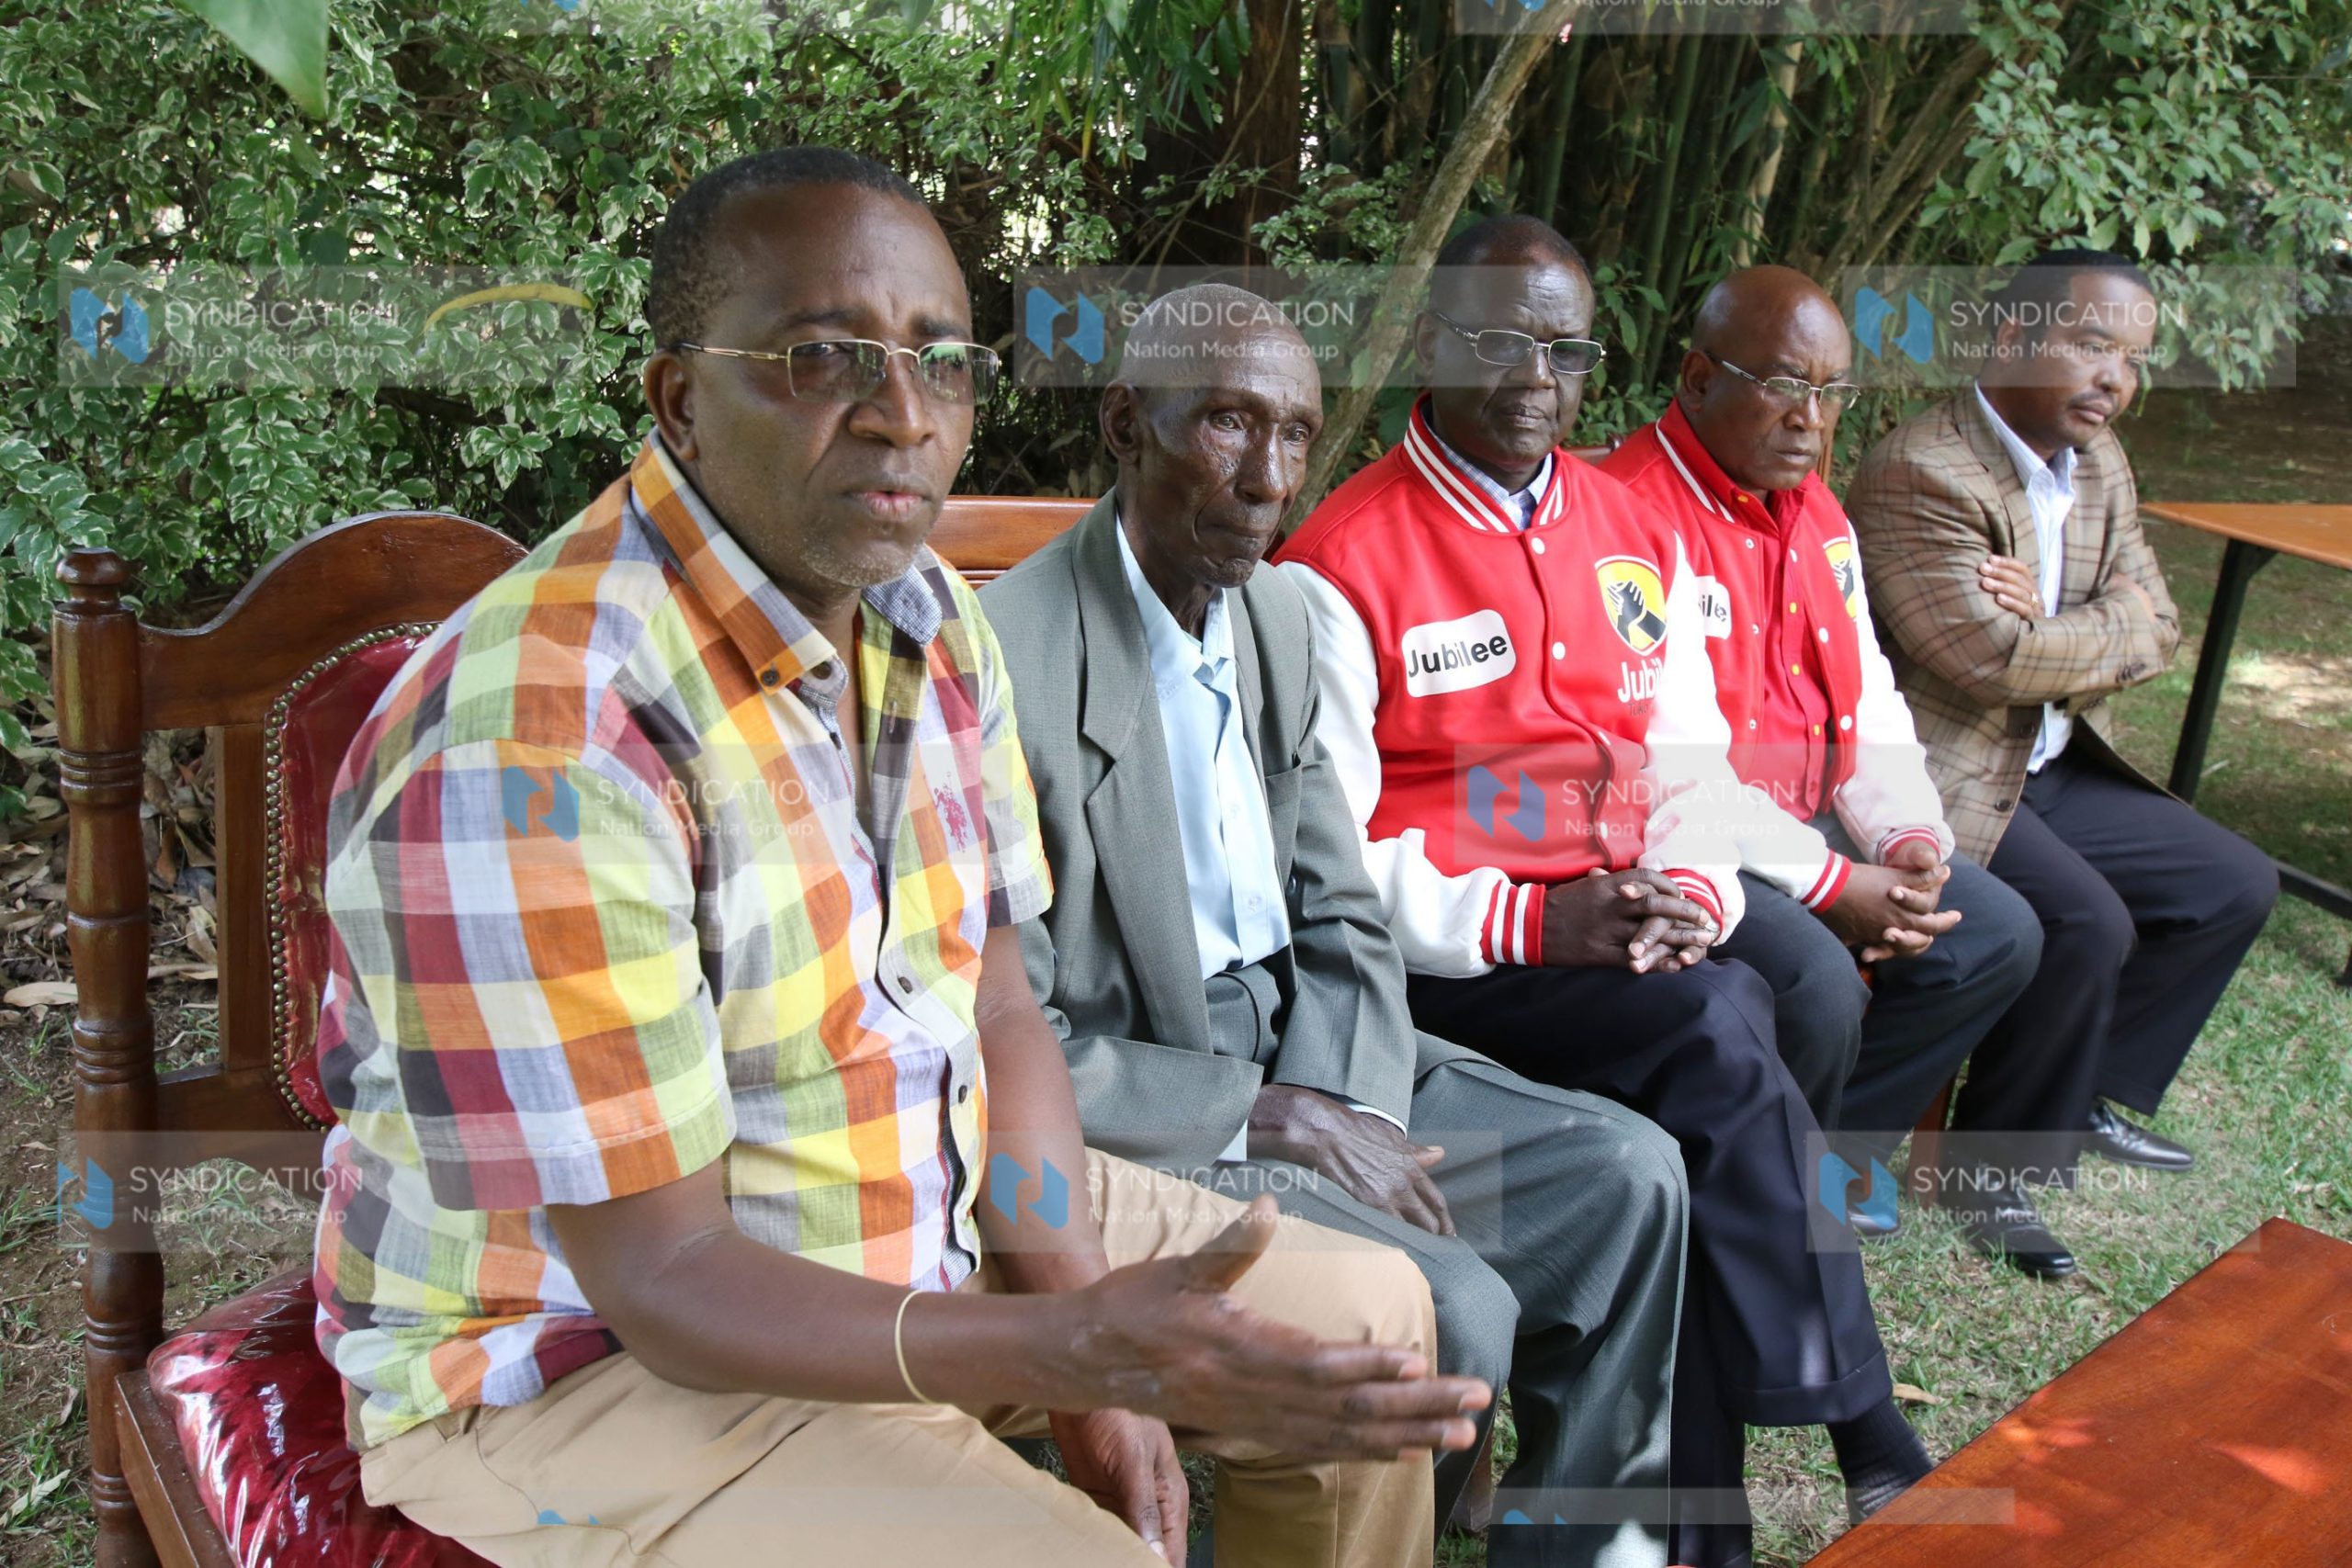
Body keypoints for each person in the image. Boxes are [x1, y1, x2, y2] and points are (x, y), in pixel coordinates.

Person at [310, 146, 1491, 1568]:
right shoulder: (542, 742)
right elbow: (664, 1276)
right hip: (587, 1353)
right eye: (824, 357)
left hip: (908, 1203)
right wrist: (1068, 1348)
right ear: (680, 398)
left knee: (1365, 1311)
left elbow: (997, 1003)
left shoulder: (927, 616)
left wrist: (1066, 1282)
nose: (902, 414)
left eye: (945, 362)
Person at [984, 284, 1688, 1568]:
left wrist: (1344, 1103)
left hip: (1319, 1043)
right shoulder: (1010, 665)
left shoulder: (1279, 616)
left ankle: (1586, 1547)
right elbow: (1007, 1032)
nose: (1267, 477)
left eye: (1297, 434)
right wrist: (1276, 1121)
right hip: (1166, 1097)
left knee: (1625, 1178)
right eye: (1229, 425)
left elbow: (1340, 903)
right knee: (1448, 1297)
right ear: (1126, 423)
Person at [1273, 215, 1929, 1568]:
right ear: (1436, 339)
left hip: (1625, 924)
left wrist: (1682, 883)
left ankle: (1708, 1521)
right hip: (1463, 953)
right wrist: (1530, 916)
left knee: (1737, 1023)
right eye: (1503, 339)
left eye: (1566, 349)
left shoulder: (1626, 521)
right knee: (1720, 1027)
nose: (1536, 374)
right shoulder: (1341, 562)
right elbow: (1324, 859)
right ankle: (1862, 1422)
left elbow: (1687, 758)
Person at [1600, 265, 2045, 1254]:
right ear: (1698, 377)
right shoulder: (1626, 517)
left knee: (1996, 933)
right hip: (1678, 840)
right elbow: (1671, 770)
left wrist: (1910, 838)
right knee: (1816, 983)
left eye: (1832, 392)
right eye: (1784, 384)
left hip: (1802, 820)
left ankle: (1819, 1170)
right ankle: (1741, 1218)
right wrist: (1838, 881)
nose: (1812, 418)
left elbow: (1866, 694)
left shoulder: (1817, 514)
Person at [1849, 248, 2278, 1268]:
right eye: (2091, 345)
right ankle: (1989, 1173)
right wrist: (2091, 625)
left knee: (2233, 883)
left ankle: (2078, 1088)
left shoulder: (2101, 467)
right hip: (1942, 772)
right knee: (2085, 920)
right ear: (2011, 337)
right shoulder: (1923, 468)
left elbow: (2159, 622)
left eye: (2130, 358)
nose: (2114, 380)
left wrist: (2060, 623)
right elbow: (1988, 660)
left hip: (2046, 758)